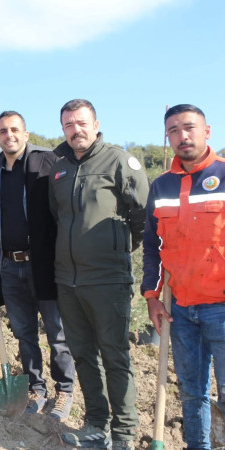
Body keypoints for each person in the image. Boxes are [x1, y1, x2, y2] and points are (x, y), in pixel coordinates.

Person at [48, 99, 149, 449]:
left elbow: (141, 218)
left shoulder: (118, 161)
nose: (75, 130)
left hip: (108, 280)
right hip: (68, 280)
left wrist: (115, 249)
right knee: (83, 354)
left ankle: (123, 434)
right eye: (68, 125)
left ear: (95, 123)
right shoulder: (59, 168)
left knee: (114, 355)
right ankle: (95, 423)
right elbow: (57, 217)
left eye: (81, 123)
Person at [142, 104, 225, 450]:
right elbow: (152, 246)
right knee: (192, 394)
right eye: (173, 130)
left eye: (189, 127)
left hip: (221, 307)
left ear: (207, 131)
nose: (182, 135)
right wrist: (152, 298)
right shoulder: (161, 186)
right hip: (181, 309)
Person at [0, 111, 75, 418]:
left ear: (25, 133)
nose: (8, 135)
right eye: (2, 131)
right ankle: (36, 389)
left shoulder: (46, 161)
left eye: (14, 129)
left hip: (43, 264)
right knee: (24, 334)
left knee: (56, 332)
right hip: (10, 265)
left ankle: (64, 391)